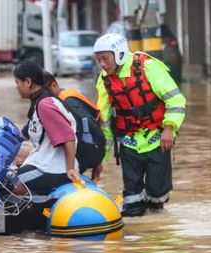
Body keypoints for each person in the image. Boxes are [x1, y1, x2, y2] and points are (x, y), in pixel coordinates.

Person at [93, 33, 186, 216]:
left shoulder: (148, 67)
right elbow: (103, 123)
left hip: (157, 140)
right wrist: (99, 160)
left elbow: (176, 100)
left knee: (157, 198)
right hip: (128, 144)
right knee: (132, 202)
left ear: (119, 54)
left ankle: (156, 233)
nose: (102, 64)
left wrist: (169, 129)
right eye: (98, 60)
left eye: (105, 58)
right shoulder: (104, 80)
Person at [12, 59, 79, 196]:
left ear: (28, 82)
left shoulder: (45, 105)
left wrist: (70, 168)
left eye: (17, 82)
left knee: (5, 183)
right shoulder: (40, 101)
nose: (16, 87)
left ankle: (35, 209)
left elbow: (69, 138)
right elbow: (24, 133)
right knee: (11, 172)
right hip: (48, 164)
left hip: (55, 169)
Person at [42, 70, 105, 180]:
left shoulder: (67, 101)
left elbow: (89, 126)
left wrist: (97, 160)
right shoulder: (63, 97)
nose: (42, 98)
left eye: (44, 93)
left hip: (90, 147)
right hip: (95, 143)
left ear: (54, 86)